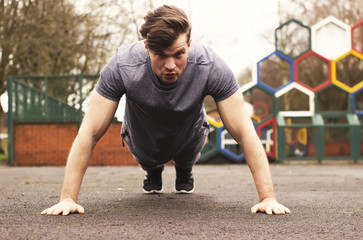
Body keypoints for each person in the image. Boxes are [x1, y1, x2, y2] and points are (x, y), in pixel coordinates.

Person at [41, 5, 290, 216]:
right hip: (143, 135)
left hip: (189, 132)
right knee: (150, 156)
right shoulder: (123, 65)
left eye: (179, 54)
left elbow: (245, 132)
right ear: (147, 47)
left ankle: (184, 167)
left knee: (188, 149)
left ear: (189, 45)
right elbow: (89, 132)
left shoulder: (210, 65)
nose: (170, 65)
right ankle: (153, 170)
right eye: (161, 55)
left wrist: (268, 197)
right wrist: (67, 198)